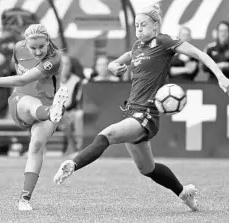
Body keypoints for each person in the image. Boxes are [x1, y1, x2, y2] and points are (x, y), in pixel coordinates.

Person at [53, 4, 229, 212]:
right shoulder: (138, 46)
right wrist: (112, 66)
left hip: (146, 113)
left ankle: (73, 164)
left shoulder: (164, 42)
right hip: (131, 110)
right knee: (148, 168)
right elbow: (119, 61)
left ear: (155, 25)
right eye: (136, 25)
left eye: (143, 25)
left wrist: (220, 76)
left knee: (106, 134)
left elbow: (199, 54)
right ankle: (184, 193)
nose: (139, 29)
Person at [0, 24, 69, 211]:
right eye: (34, 48)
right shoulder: (18, 48)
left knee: (37, 146)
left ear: (48, 41)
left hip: (48, 103)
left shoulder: (54, 58)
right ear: (26, 43)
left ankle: (24, 199)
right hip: (20, 102)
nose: (38, 51)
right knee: (31, 103)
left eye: (42, 46)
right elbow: (21, 80)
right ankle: (52, 113)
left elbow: (24, 78)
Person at [59, 53, 84, 156]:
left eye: (67, 64)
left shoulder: (77, 81)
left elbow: (75, 102)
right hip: (52, 111)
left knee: (75, 116)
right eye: (62, 64)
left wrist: (63, 110)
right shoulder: (51, 79)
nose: (65, 67)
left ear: (71, 66)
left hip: (69, 111)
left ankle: (77, 149)